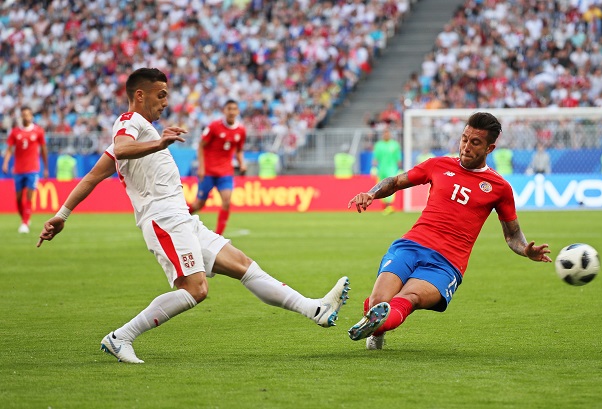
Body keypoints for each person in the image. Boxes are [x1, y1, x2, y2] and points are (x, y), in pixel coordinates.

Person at [37, 68, 350, 364]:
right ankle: (121, 336)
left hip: (182, 219)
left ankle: (315, 309)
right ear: (140, 94)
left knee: (243, 265)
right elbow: (121, 147)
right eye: (160, 94)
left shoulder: (140, 135)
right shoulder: (129, 120)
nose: (165, 101)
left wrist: (62, 214)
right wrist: (159, 142)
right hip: (164, 220)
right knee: (196, 289)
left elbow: (92, 176)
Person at [346, 112, 551, 350]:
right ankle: (376, 326)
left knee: (409, 298)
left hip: (447, 263)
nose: (466, 147)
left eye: (475, 143)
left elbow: (513, 235)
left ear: (489, 148)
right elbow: (395, 181)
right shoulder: (438, 165)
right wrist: (371, 193)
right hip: (410, 246)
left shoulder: (500, 188)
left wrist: (526, 250)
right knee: (379, 300)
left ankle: (375, 324)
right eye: (464, 139)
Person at [188, 100, 247, 236]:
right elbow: (201, 146)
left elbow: (238, 150)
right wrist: (201, 167)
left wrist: (242, 163)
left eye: (234, 109)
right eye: (229, 109)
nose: (232, 112)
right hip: (208, 171)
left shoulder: (241, 131)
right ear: (224, 111)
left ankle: (219, 236)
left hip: (225, 172)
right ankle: (176, 220)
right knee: (198, 205)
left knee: (226, 201)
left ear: (238, 111)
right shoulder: (214, 126)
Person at [2, 106, 49, 233]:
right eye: (23, 115)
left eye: (28, 114)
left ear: (32, 116)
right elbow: (9, 150)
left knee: (29, 196)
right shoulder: (15, 132)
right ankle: (25, 219)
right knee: (18, 199)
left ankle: (24, 223)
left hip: (33, 169)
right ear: (20, 116)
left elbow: (44, 150)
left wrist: (45, 167)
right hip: (18, 169)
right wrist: (5, 163)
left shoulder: (38, 131)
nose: (26, 117)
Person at [372, 128, 402, 214]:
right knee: (381, 187)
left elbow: (398, 158)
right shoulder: (378, 145)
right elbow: (375, 158)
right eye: (384, 133)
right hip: (381, 169)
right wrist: (373, 167)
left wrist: (400, 168)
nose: (386, 135)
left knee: (391, 186)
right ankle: (386, 206)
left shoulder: (395, 145)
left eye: (387, 133)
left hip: (392, 169)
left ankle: (389, 206)